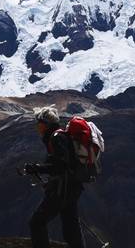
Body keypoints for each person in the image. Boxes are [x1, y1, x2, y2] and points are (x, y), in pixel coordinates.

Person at [25, 106, 85, 248]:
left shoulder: (57, 138)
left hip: (62, 189)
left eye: (39, 124)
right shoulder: (61, 136)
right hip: (72, 187)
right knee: (71, 227)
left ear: (46, 125)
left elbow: (60, 166)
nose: (37, 128)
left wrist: (37, 168)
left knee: (37, 222)